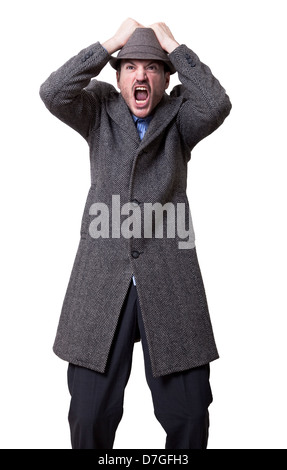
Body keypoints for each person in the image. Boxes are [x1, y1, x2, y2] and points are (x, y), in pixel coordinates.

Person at [40, 18, 232, 450]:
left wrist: (174, 46)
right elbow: (53, 92)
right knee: (89, 416)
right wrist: (110, 43)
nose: (141, 75)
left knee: (189, 414)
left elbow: (217, 103)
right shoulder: (98, 111)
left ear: (165, 78)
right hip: (102, 281)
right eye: (130, 67)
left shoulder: (181, 117)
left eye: (152, 67)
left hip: (169, 279)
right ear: (118, 75)